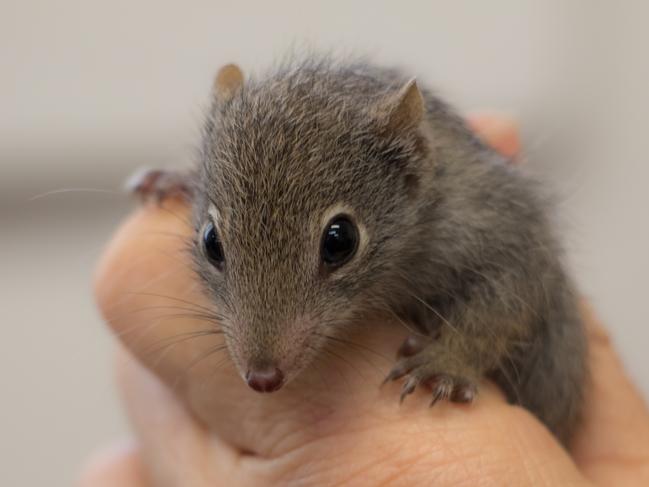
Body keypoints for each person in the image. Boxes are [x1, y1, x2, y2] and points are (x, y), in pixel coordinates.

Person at [80, 116, 649, 486]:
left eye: (337, 244)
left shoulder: (470, 215)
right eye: (214, 244)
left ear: (409, 166)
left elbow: (523, 267)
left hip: (536, 404)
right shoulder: (239, 160)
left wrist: (458, 354)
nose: (260, 365)